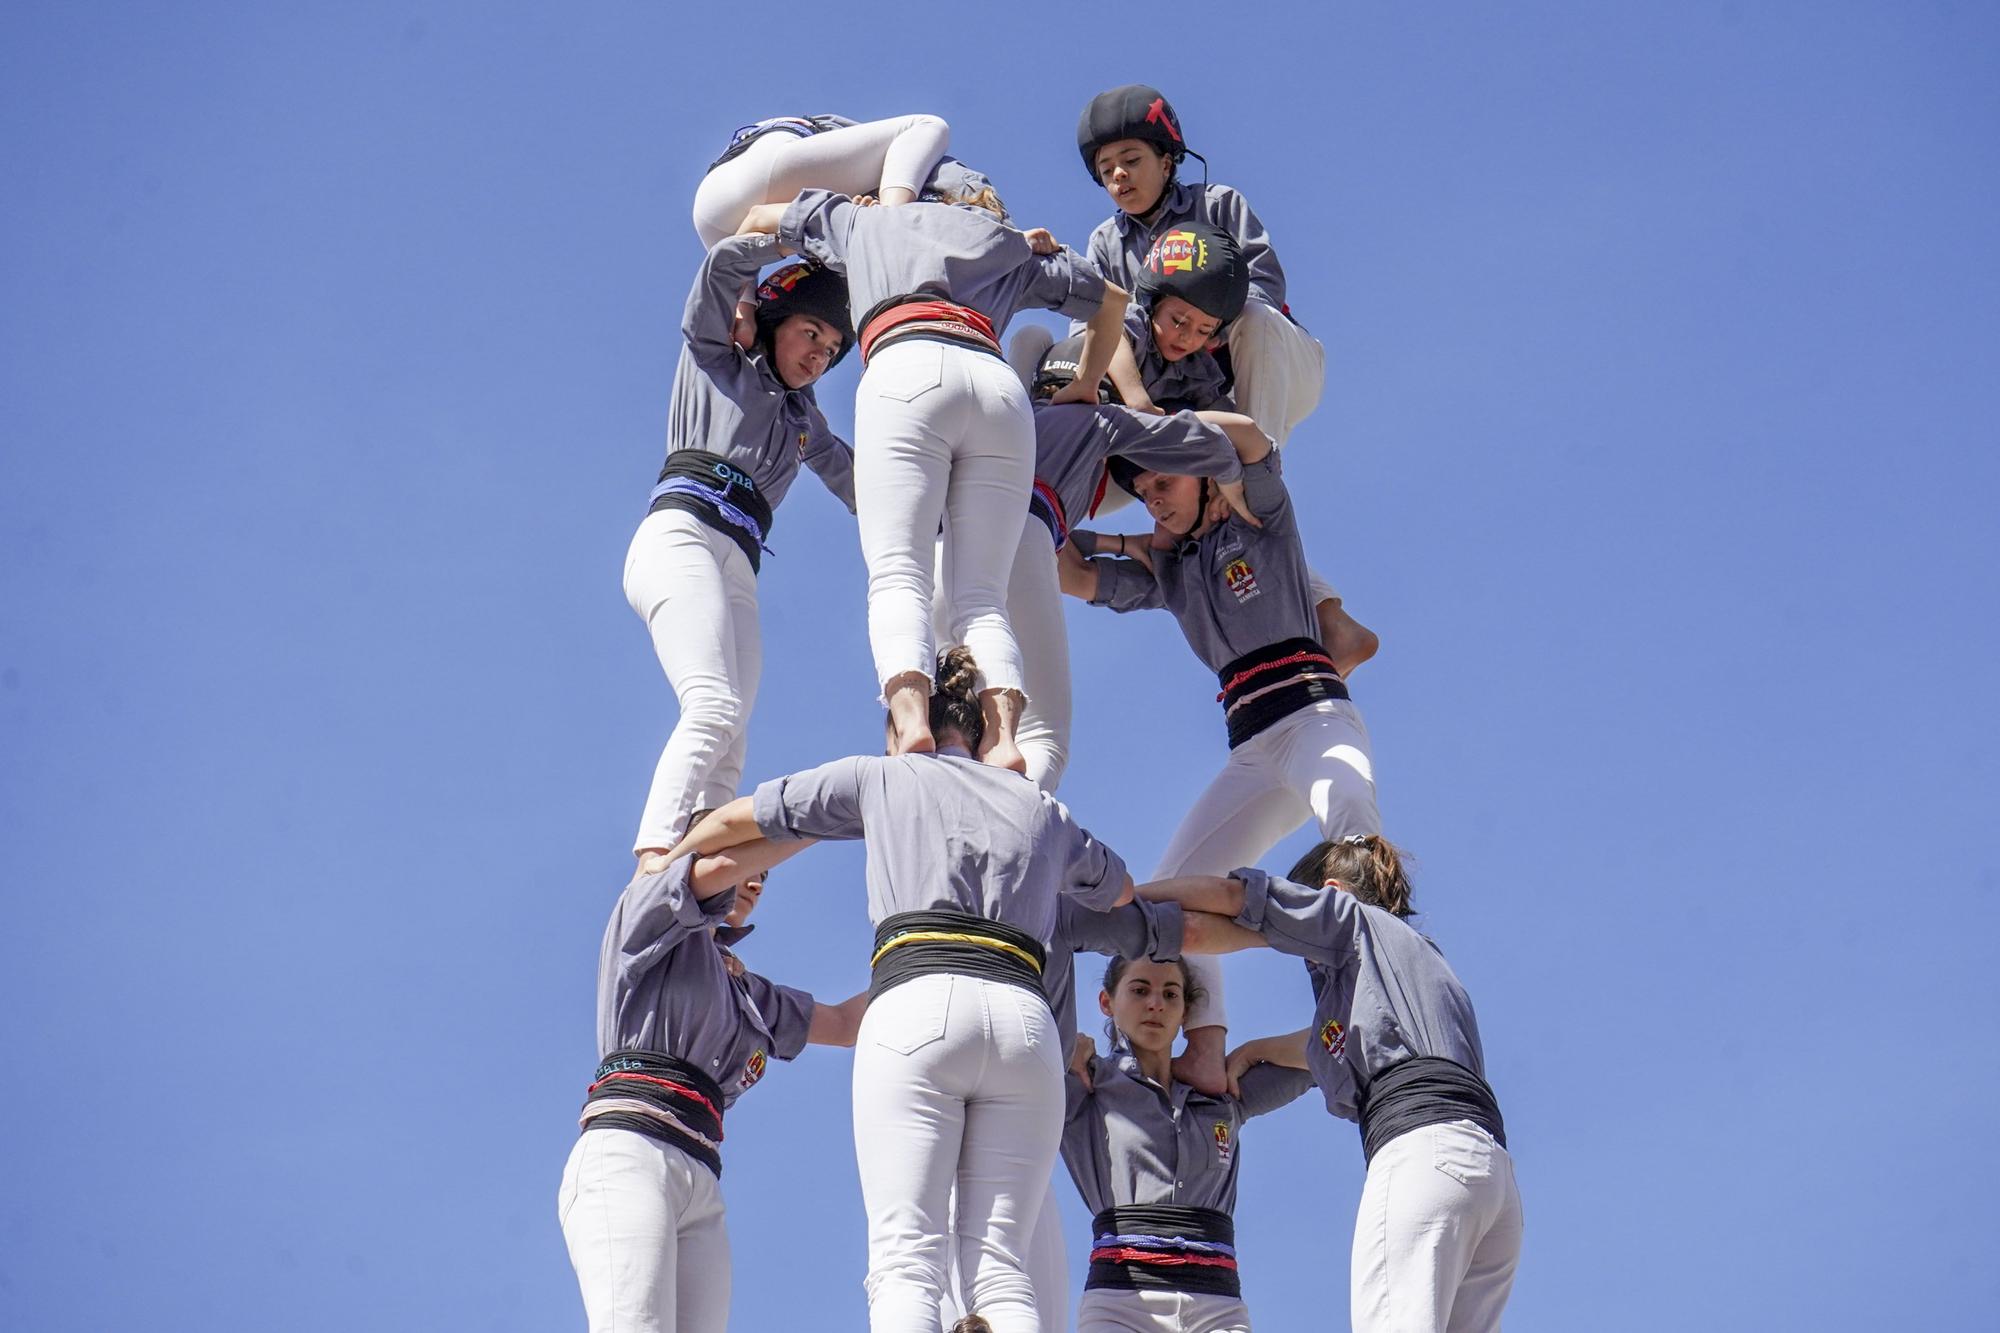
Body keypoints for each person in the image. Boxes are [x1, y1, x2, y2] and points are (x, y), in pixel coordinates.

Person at [665, 648, 1137, 1333]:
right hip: (1025, 1019)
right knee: (1000, 1266)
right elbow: (1119, 887)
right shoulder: (1041, 808)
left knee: (905, 1258)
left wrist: (667, 866)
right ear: (980, 731)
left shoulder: (883, 776)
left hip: (918, 998)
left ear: (901, 726)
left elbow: (746, 818)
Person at [735, 187, 1128, 769]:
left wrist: (746, 308)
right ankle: (1003, 741)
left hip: (906, 362)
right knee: (983, 601)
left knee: (899, 575)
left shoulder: (862, 221)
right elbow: (1112, 300)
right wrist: (1085, 384)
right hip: (996, 386)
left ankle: (914, 722)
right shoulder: (1008, 242)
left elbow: (751, 221)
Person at [1057, 415, 1379, 1093]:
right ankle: (1207, 1046)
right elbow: (1077, 577)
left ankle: (1383, 973)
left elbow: (1256, 443)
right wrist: (1047, 515)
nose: (1156, 499)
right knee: (1171, 889)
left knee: (1350, 817)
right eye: (1144, 491)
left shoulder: (1262, 524)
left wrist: (1163, 424)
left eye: (1166, 482)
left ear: (1207, 477)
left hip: (1314, 716)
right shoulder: (1172, 572)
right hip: (1253, 756)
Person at [1137, 839, 1523, 1333]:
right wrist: (1254, 1051)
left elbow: (1224, 904)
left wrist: (1122, 901)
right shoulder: (1415, 964)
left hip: (1424, 1155)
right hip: (1493, 1180)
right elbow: (1327, 1044)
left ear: (1333, 893)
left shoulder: (1348, 922)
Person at [558, 846, 869, 1331]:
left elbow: (847, 1025)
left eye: (764, 874)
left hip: (701, 1176)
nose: (757, 881)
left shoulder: (747, 992)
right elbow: (666, 848)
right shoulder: (648, 917)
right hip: (631, 1152)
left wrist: (939, 957)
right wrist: (818, 814)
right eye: (748, 861)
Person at [931, 346, 1260, 793]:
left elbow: (1066, 554)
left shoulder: (1011, 416)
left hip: (939, 549)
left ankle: (940, 810)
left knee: (951, 717)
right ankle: (1000, 823)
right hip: (1020, 535)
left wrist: (1121, 543)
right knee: (1042, 736)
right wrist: (1228, 482)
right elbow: (1215, 438)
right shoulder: (1098, 422)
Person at [625, 239, 857, 862]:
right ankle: (654, 856)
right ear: (775, 322)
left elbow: (863, 487)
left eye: (832, 349)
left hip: (738, 561)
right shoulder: (715, 356)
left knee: (731, 742)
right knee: (712, 704)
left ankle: (703, 872)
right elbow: (723, 264)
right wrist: (792, 239)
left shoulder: (805, 422)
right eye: (811, 333)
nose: (818, 354)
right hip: (683, 535)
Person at [1062, 955, 1313, 1332]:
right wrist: (1066, 1047)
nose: (1156, 1004)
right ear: (1106, 1003)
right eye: (1140, 990)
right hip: (1121, 1302)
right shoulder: (1086, 1081)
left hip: (1219, 1307)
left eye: (1171, 994)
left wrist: (1249, 1052)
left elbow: (1333, 1042)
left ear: (1186, 1014)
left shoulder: (1222, 1095)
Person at [1075, 85, 1325, 449]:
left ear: (1166, 162)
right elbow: (1087, 331)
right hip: (1190, 391)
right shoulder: (1104, 243)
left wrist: (1202, 330)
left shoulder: (1217, 204)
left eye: (1131, 161)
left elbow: (1266, 285)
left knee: (1254, 315)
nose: (1119, 175)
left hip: (1278, 367)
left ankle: (1262, 473)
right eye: (1106, 168)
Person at [693, 113, 954, 248]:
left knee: (741, 319)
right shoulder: (832, 131)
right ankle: (889, 219)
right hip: (764, 172)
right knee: (925, 125)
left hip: (709, 213)